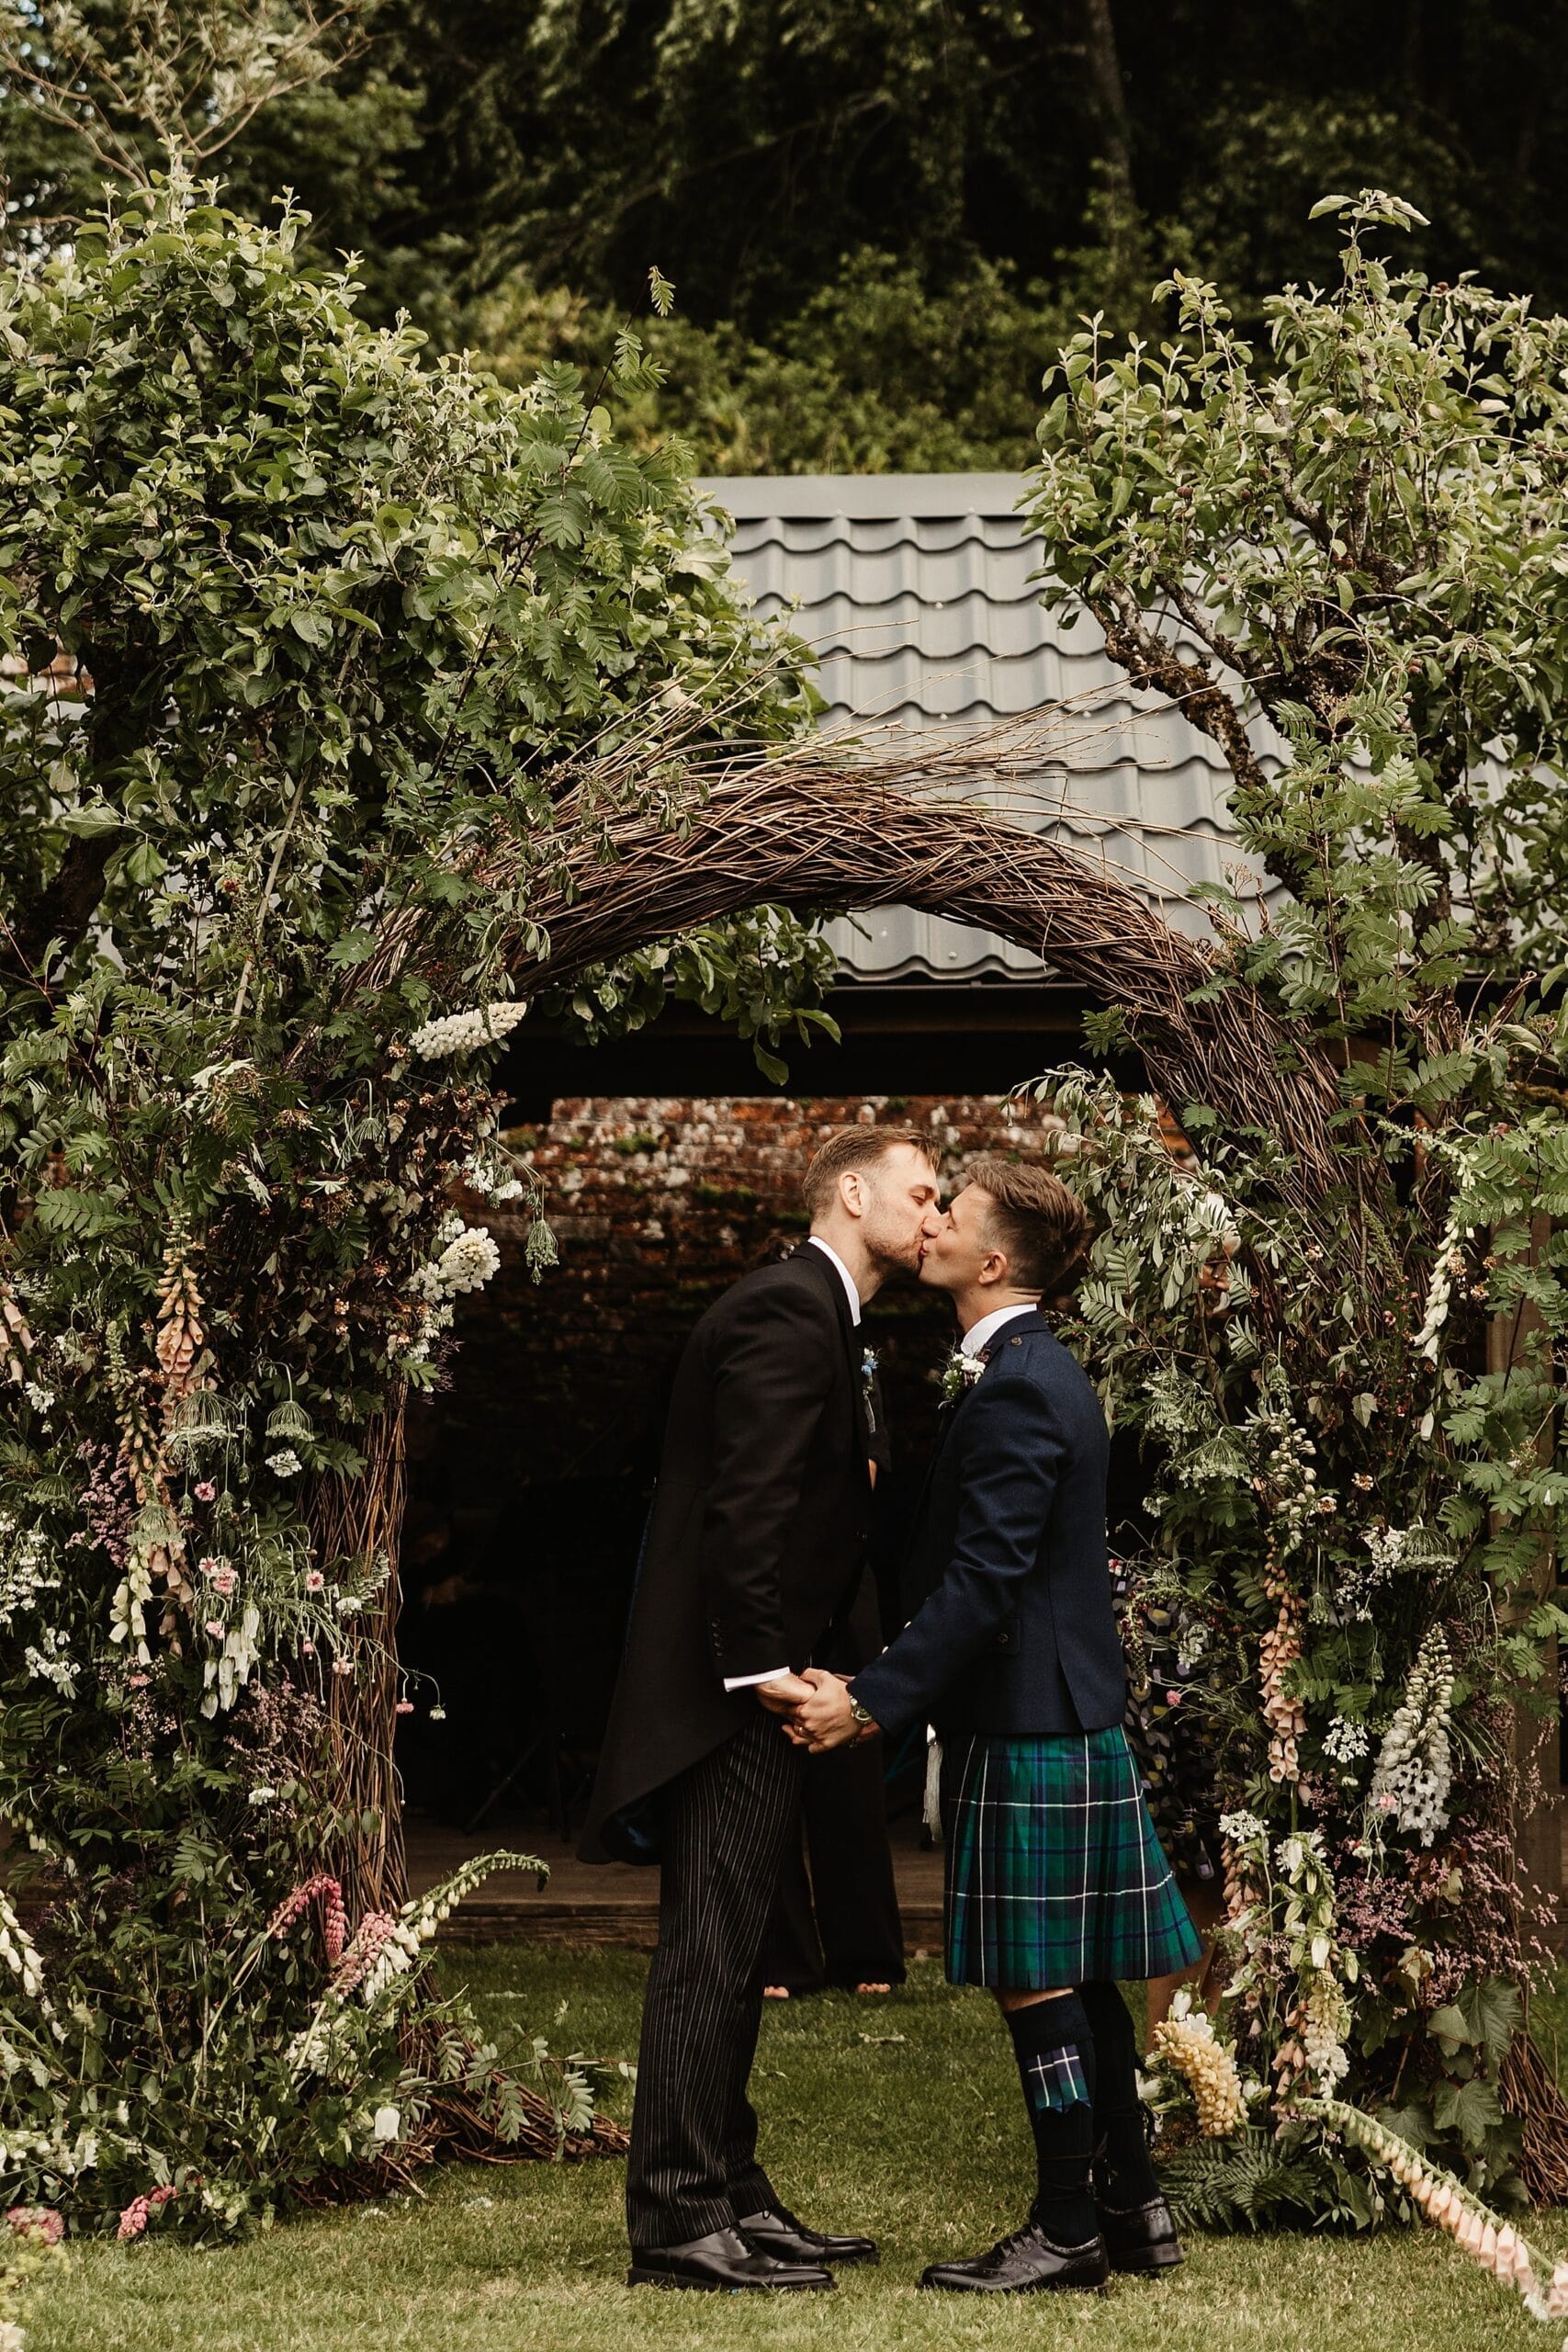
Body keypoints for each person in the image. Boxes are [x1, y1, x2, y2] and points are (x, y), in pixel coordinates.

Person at [775, 1160, 1201, 2295]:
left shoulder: (1017, 1384)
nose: (931, 1221)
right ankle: (1133, 2207)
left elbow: (983, 1579)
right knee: (1085, 1975)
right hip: (1059, 1709)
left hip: (1026, 1716)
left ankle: (1068, 2226)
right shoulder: (1031, 1368)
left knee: (1036, 1978)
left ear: (994, 1262)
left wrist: (869, 1698)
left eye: (948, 1215)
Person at [579, 1125, 941, 2293]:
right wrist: (762, 1671)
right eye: (920, 1193)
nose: (936, 1216)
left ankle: (732, 2190)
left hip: (759, 1685)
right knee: (712, 1947)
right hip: (730, 1697)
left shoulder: (822, 1314)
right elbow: (748, 1509)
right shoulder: (787, 1308)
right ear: (851, 1189)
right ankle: (678, 2216)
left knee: (738, 1946)